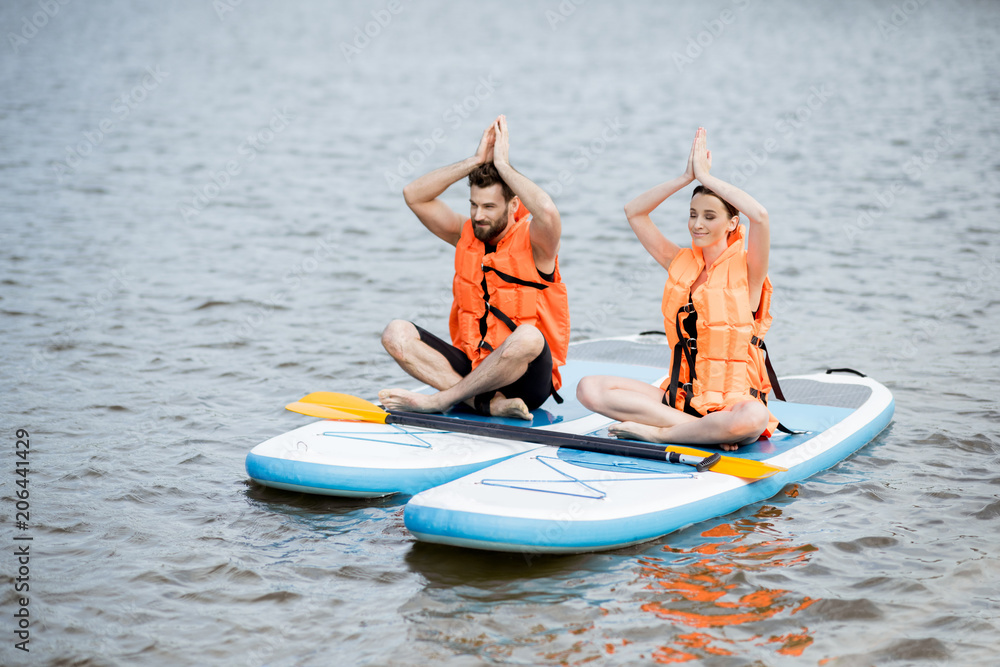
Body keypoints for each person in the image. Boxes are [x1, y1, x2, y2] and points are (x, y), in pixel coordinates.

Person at [577, 127, 779, 451]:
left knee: (753, 418)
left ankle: (662, 433)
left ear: (731, 224)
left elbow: (762, 216)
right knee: (589, 388)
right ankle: (703, 432)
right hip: (679, 398)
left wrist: (708, 179)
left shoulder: (749, 271)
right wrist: (686, 178)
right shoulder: (679, 262)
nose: (697, 224)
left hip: (732, 405)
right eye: (693, 214)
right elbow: (634, 211)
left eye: (710, 216)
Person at [378, 115, 570, 421]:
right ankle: (485, 405)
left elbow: (547, 210)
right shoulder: (464, 234)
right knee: (395, 333)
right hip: (476, 368)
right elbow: (413, 195)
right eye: (473, 205)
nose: (479, 215)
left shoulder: (538, 244)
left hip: (526, 377)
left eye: (489, 207)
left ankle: (444, 399)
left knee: (529, 336)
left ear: (512, 205)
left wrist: (503, 166)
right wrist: (475, 161)